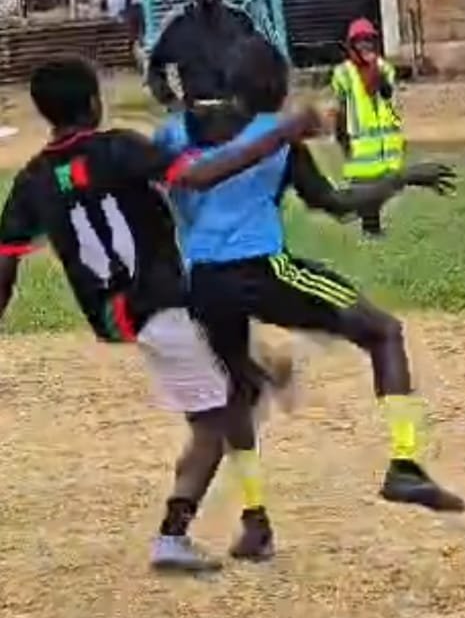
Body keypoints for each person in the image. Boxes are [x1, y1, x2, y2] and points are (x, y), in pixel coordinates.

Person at [0, 57, 321, 573]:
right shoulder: (119, 148)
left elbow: (5, 267)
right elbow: (200, 176)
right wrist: (281, 132)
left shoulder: (32, 181)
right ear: (93, 104)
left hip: (119, 313)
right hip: (160, 303)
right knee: (217, 416)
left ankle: (256, 379)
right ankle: (173, 535)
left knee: (226, 375)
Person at [154, 35, 465, 553]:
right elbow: (336, 203)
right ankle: (405, 464)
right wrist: (403, 177)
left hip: (202, 282)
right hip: (261, 269)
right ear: (277, 85)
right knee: (383, 332)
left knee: (238, 395)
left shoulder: (175, 134)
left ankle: (255, 524)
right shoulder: (278, 138)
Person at [147, 0, 257, 111]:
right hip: (195, 111)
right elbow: (155, 69)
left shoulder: (240, 21)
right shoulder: (178, 24)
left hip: (235, 111)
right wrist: (172, 103)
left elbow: (258, 63)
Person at [329, 17, 404, 237]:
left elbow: (388, 94)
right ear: (351, 45)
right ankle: (370, 227)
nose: (365, 46)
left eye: (368, 40)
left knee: (383, 186)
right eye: (359, 41)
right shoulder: (343, 73)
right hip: (358, 140)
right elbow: (340, 106)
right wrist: (340, 136)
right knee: (364, 186)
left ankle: (370, 223)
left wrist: (377, 74)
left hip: (382, 141)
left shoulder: (384, 68)